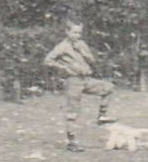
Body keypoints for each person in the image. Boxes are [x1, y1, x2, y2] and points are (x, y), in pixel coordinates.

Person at [43, 20, 114, 151]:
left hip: (86, 79)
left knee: (108, 87)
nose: (77, 35)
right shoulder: (62, 46)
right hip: (73, 81)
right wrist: (63, 68)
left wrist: (83, 51)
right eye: (74, 32)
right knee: (73, 112)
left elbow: (92, 60)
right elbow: (48, 60)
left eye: (79, 32)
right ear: (67, 32)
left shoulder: (81, 44)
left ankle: (102, 116)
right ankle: (72, 142)